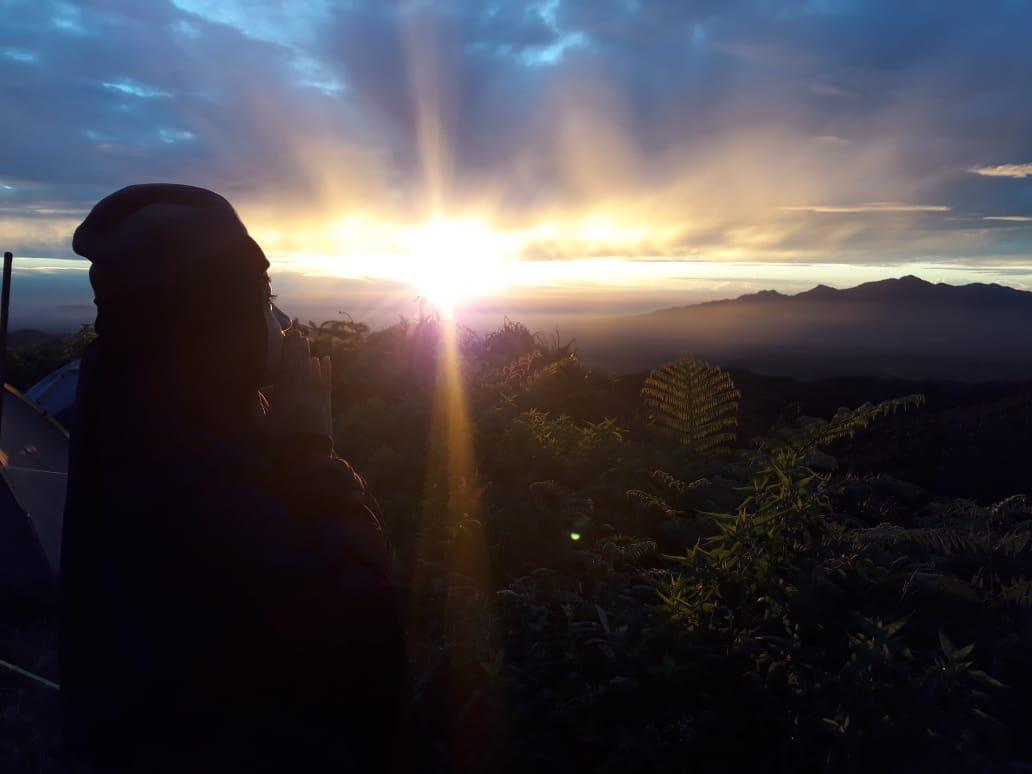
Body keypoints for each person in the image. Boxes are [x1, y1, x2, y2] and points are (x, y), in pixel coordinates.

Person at [59, 184, 407, 772]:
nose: (282, 320)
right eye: (264, 298)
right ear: (218, 326)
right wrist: (310, 448)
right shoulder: (196, 470)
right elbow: (362, 638)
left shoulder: (127, 401)